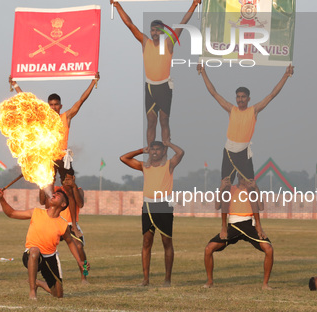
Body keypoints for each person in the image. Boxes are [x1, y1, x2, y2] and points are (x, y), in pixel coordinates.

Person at [196, 63, 294, 239]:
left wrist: (286, 75)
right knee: (225, 188)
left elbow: (272, 94)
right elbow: (214, 93)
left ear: (248, 99)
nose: (240, 99)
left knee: (251, 188)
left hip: (243, 154)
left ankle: (258, 227)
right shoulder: (231, 109)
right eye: (238, 97)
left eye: (243, 97)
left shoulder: (253, 110)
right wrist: (203, 71)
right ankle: (224, 227)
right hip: (228, 152)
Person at [9, 72, 99, 238]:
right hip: (47, 158)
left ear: (60, 106)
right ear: (47, 106)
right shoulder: (42, 120)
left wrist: (93, 82)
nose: (53, 107)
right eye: (51, 105)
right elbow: (27, 103)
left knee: (70, 188)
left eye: (56, 104)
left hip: (62, 157)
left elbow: (81, 101)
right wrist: (15, 85)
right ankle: (49, 220)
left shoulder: (66, 117)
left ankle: (73, 224)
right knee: (46, 192)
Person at [111, 0, 201, 146]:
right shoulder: (145, 42)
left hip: (164, 87)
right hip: (150, 87)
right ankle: (150, 151)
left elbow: (183, 22)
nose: (154, 32)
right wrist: (117, 5)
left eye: (158, 30)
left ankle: (165, 149)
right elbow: (129, 24)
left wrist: (193, 4)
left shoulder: (169, 42)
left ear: (163, 31)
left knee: (164, 120)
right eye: (152, 29)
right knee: (151, 122)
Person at [0, 187, 85, 299]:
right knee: (35, 251)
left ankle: (37, 282)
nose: (54, 194)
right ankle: (32, 291)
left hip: (50, 257)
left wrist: (80, 261)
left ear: (63, 204)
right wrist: (1, 199)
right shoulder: (36, 212)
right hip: (31, 255)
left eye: (58, 195)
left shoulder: (63, 224)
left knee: (58, 294)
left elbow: (70, 242)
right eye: (54, 193)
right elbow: (11, 213)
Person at [120, 140, 184, 286]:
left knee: (166, 242)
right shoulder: (145, 166)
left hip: (164, 206)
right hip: (148, 206)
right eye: (153, 149)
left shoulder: (169, 165)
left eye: (158, 150)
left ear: (163, 152)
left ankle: (167, 279)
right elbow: (124, 158)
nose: (155, 152)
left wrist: (169, 143)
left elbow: (180, 153)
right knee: (147, 242)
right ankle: (145, 279)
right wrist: (142, 150)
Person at [204, 175, 273, 290]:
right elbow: (217, 206)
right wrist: (221, 189)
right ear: (238, 177)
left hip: (249, 225)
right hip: (233, 225)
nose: (244, 180)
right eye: (242, 178)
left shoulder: (251, 190)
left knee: (269, 249)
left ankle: (265, 284)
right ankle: (210, 281)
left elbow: (260, 207)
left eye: (246, 177)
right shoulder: (230, 189)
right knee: (208, 249)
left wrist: (256, 189)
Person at [39, 174, 88, 283]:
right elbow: (42, 201)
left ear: (73, 178)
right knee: (41, 248)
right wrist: (43, 184)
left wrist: (74, 187)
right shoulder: (56, 191)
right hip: (54, 223)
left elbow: (80, 204)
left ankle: (84, 275)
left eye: (68, 179)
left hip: (70, 225)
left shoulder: (78, 190)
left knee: (79, 247)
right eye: (63, 178)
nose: (65, 181)